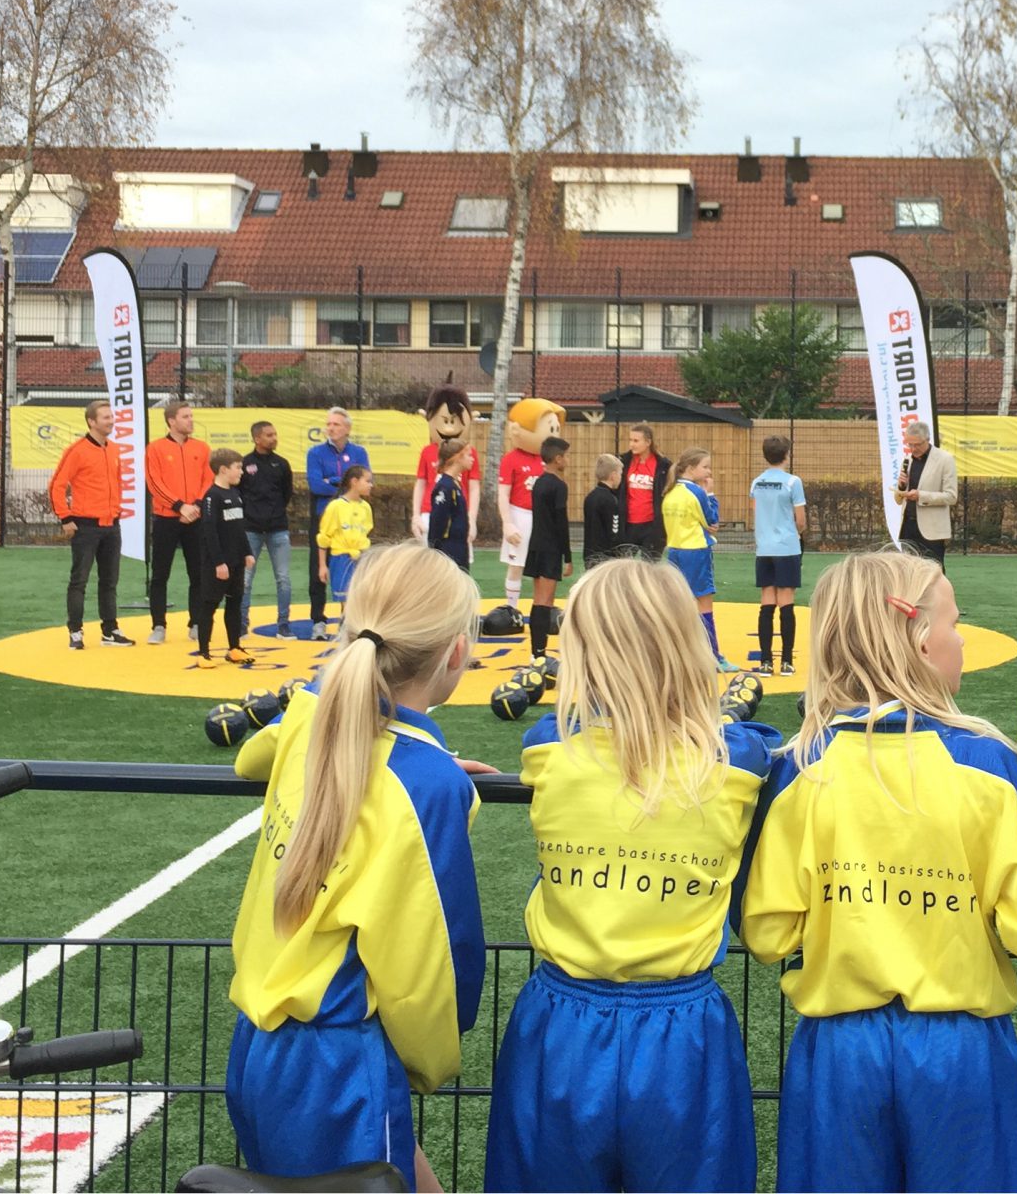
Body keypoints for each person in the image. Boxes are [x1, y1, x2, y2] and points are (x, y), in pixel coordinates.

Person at [741, 550, 1017, 1192]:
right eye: (957, 622)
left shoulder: (801, 766)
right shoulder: (991, 766)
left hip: (837, 1053)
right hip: (962, 1055)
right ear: (923, 641)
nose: (960, 636)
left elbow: (766, 934)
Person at [483, 558, 779, 1192]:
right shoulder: (740, 759)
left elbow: (565, 729)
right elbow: (754, 741)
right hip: (684, 1031)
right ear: (685, 645)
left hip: (559, 1021)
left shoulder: (549, 747)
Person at [227, 543, 484, 1192]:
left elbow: (249, 760)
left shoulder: (315, 716)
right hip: (339, 1063)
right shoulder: (425, 786)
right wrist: (432, 1063)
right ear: (455, 653)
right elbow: (433, 970)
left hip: (256, 1044)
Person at [49, 399, 135, 650]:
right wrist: (65, 517)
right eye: (106, 417)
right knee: (79, 580)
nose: (111, 421)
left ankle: (110, 630)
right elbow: (57, 485)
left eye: (112, 416)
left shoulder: (115, 449)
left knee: (109, 581)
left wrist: (117, 509)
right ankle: (75, 631)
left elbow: (117, 484)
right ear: (92, 422)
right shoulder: (77, 450)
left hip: (112, 526)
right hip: (85, 527)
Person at [662, 447, 735, 672]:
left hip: (674, 551)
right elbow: (712, 520)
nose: (709, 471)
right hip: (696, 552)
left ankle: (676, 654)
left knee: (678, 605)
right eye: (705, 466)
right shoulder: (697, 492)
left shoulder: (671, 491)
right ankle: (713, 656)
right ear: (692, 468)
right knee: (704, 604)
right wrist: (711, 495)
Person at [146, 400, 211, 645]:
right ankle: (159, 625)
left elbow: (208, 480)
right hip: (166, 518)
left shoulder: (202, 448)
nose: (191, 420)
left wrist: (194, 505)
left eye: (191, 416)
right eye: (186, 416)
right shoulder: (155, 448)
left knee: (198, 573)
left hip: (195, 518)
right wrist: (178, 506)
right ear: (172, 421)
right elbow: (154, 482)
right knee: (160, 574)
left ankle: (196, 623)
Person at [305, 407, 369, 641]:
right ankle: (318, 620)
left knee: (353, 573)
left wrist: (330, 481)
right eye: (328, 424)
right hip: (325, 519)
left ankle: (349, 621)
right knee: (318, 570)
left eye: (336, 424)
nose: (331, 428)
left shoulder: (359, 452)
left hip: (352, 524)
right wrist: (343, 486)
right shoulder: (315, 453)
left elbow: (363, 482)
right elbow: (315, 484)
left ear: (347, 428)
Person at [497, 398, 564, 611]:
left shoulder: (549, 461)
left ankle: (542, 607)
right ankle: (511, 609)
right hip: (520, 515)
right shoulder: (511, 459)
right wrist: (507, 523)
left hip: (542, 520)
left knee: (542, 566)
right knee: (516, 565)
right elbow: (503, 494)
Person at [750, 435, 807, 676]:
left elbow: (755, 511)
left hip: (764, 548)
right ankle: (786, 661)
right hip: (787, 547)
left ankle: (764, 662)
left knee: (767, 602)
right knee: (786, 603)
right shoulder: (793, 482)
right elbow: (801, 519)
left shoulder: (756, 483)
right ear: (787, 455)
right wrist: (795, 532)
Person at [192, 448, 254, 670]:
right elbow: (210, 532)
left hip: (236, 560)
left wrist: (247, 552)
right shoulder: (212, 496)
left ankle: (234, 647)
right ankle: (203, 652)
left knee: (235, 603)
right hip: (218, 563)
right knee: (209, 605)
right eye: (238, 468)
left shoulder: (235, 494)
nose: (242, 472)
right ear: (223, 469)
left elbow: (239, 528)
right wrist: (219, 562)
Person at [239, 421, 295, 639]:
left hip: (278, 529)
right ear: (257, 439)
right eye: (269, 435)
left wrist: (275, 513)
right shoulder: (244, 464)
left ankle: (283, 625)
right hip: (250, 530)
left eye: (275, 434)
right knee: (245, 579)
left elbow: (286, 493)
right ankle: (242, 624)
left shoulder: (281, 464)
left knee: (283, 578)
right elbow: (239, 494)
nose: (274, 438)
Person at [521, 437, 573, 659]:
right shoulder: (558, 486)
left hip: (535, 545)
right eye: (566, 456)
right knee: (545, 601)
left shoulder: (539, 482)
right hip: (550, 548)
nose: (568, 460)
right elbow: (561, 522)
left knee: (538, 600)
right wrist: (567, 556)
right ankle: (538, 652)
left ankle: (536, 650)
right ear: (558, 458)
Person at [411, 380, 479, 546]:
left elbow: (474, 487)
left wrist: (472, 518)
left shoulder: (469, 453)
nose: (449, 429)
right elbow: (420, 483)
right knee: (431, 562)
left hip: (459, 514)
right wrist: (416, 515)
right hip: (430, 512)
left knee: (459, 565)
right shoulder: (427, 452)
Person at [894, 421, 957, 569]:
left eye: (917, 445)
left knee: (933, 571)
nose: (913, 449)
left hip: (931, 529)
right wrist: (901, 486)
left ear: (927, 440)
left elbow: (951, 496)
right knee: (907, 571)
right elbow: (898, 499)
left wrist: (921, 496)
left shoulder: (945, 459)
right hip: (908, 525)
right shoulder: (907, 460)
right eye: (910, 444)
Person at [316, 466, 374, 609]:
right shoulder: (336, 506)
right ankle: (345, 629)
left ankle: (357, 629)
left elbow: (366, 532)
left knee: (362, 601)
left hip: (362, 558)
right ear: (354, 481)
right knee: (347, 603)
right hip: (342, 558)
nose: (371, 485)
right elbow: (324, 537)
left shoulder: (366, 507)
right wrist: (323, 565)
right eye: (367, 481)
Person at [619, 423, 673, 560]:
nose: (631, 444)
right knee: (624, 567)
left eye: (636, 441)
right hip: (628, 525)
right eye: (630, 440)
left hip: (652, 526)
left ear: (648, 442)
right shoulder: (623, 462)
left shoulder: (663, 465)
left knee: (649, 568)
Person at [427, 439, 473, 573]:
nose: (472, 459)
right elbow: (438, 521)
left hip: (459, 546)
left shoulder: (455, 484)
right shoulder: (445, 487)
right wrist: (435, 550)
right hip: (449, 548)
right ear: (458, 457)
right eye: (468, 455)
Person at [582, 453, 625, 568]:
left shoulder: (590, 497)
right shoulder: (611, 500)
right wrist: (619, 556)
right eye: (620, 474)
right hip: (606, 559)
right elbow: (614, 533)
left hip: (590, 556)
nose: (621, 477)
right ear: (613, 475)